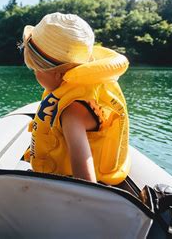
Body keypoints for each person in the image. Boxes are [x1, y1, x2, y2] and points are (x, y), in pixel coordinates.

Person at [21, 12, 130, 185]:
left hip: (68, 187)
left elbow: (86, 184)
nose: (34, 73)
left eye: (35, 69)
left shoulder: (72, 112)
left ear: (57, 74)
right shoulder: (80, 88)